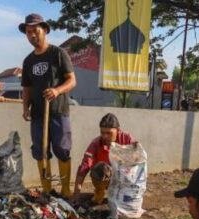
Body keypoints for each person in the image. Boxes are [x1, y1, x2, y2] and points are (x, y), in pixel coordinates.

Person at [20, 13, 77, 197]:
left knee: (62, 150)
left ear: (44, 30)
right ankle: (47, 189)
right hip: (38, 115)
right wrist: (25, 107)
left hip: (59, 112)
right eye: (28, 32)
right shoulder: (28, 61)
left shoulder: (58, 54)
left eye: (35, 31)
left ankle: (66, 189)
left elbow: (71, 81)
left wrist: (57, 91)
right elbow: (27, 87)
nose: (32, 35)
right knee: (40, 151)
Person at [72, 113, 134, 204]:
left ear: (118, 130)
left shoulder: (127, 139)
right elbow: (84, 166)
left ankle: (123, 196)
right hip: (105, 179)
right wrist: (76, 194)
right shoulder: (96, 143)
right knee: (99, 169)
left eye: (109, 133)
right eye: (102, 132)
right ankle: (99, 193)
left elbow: (138, 160)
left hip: (124, 179)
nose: (105, 136)